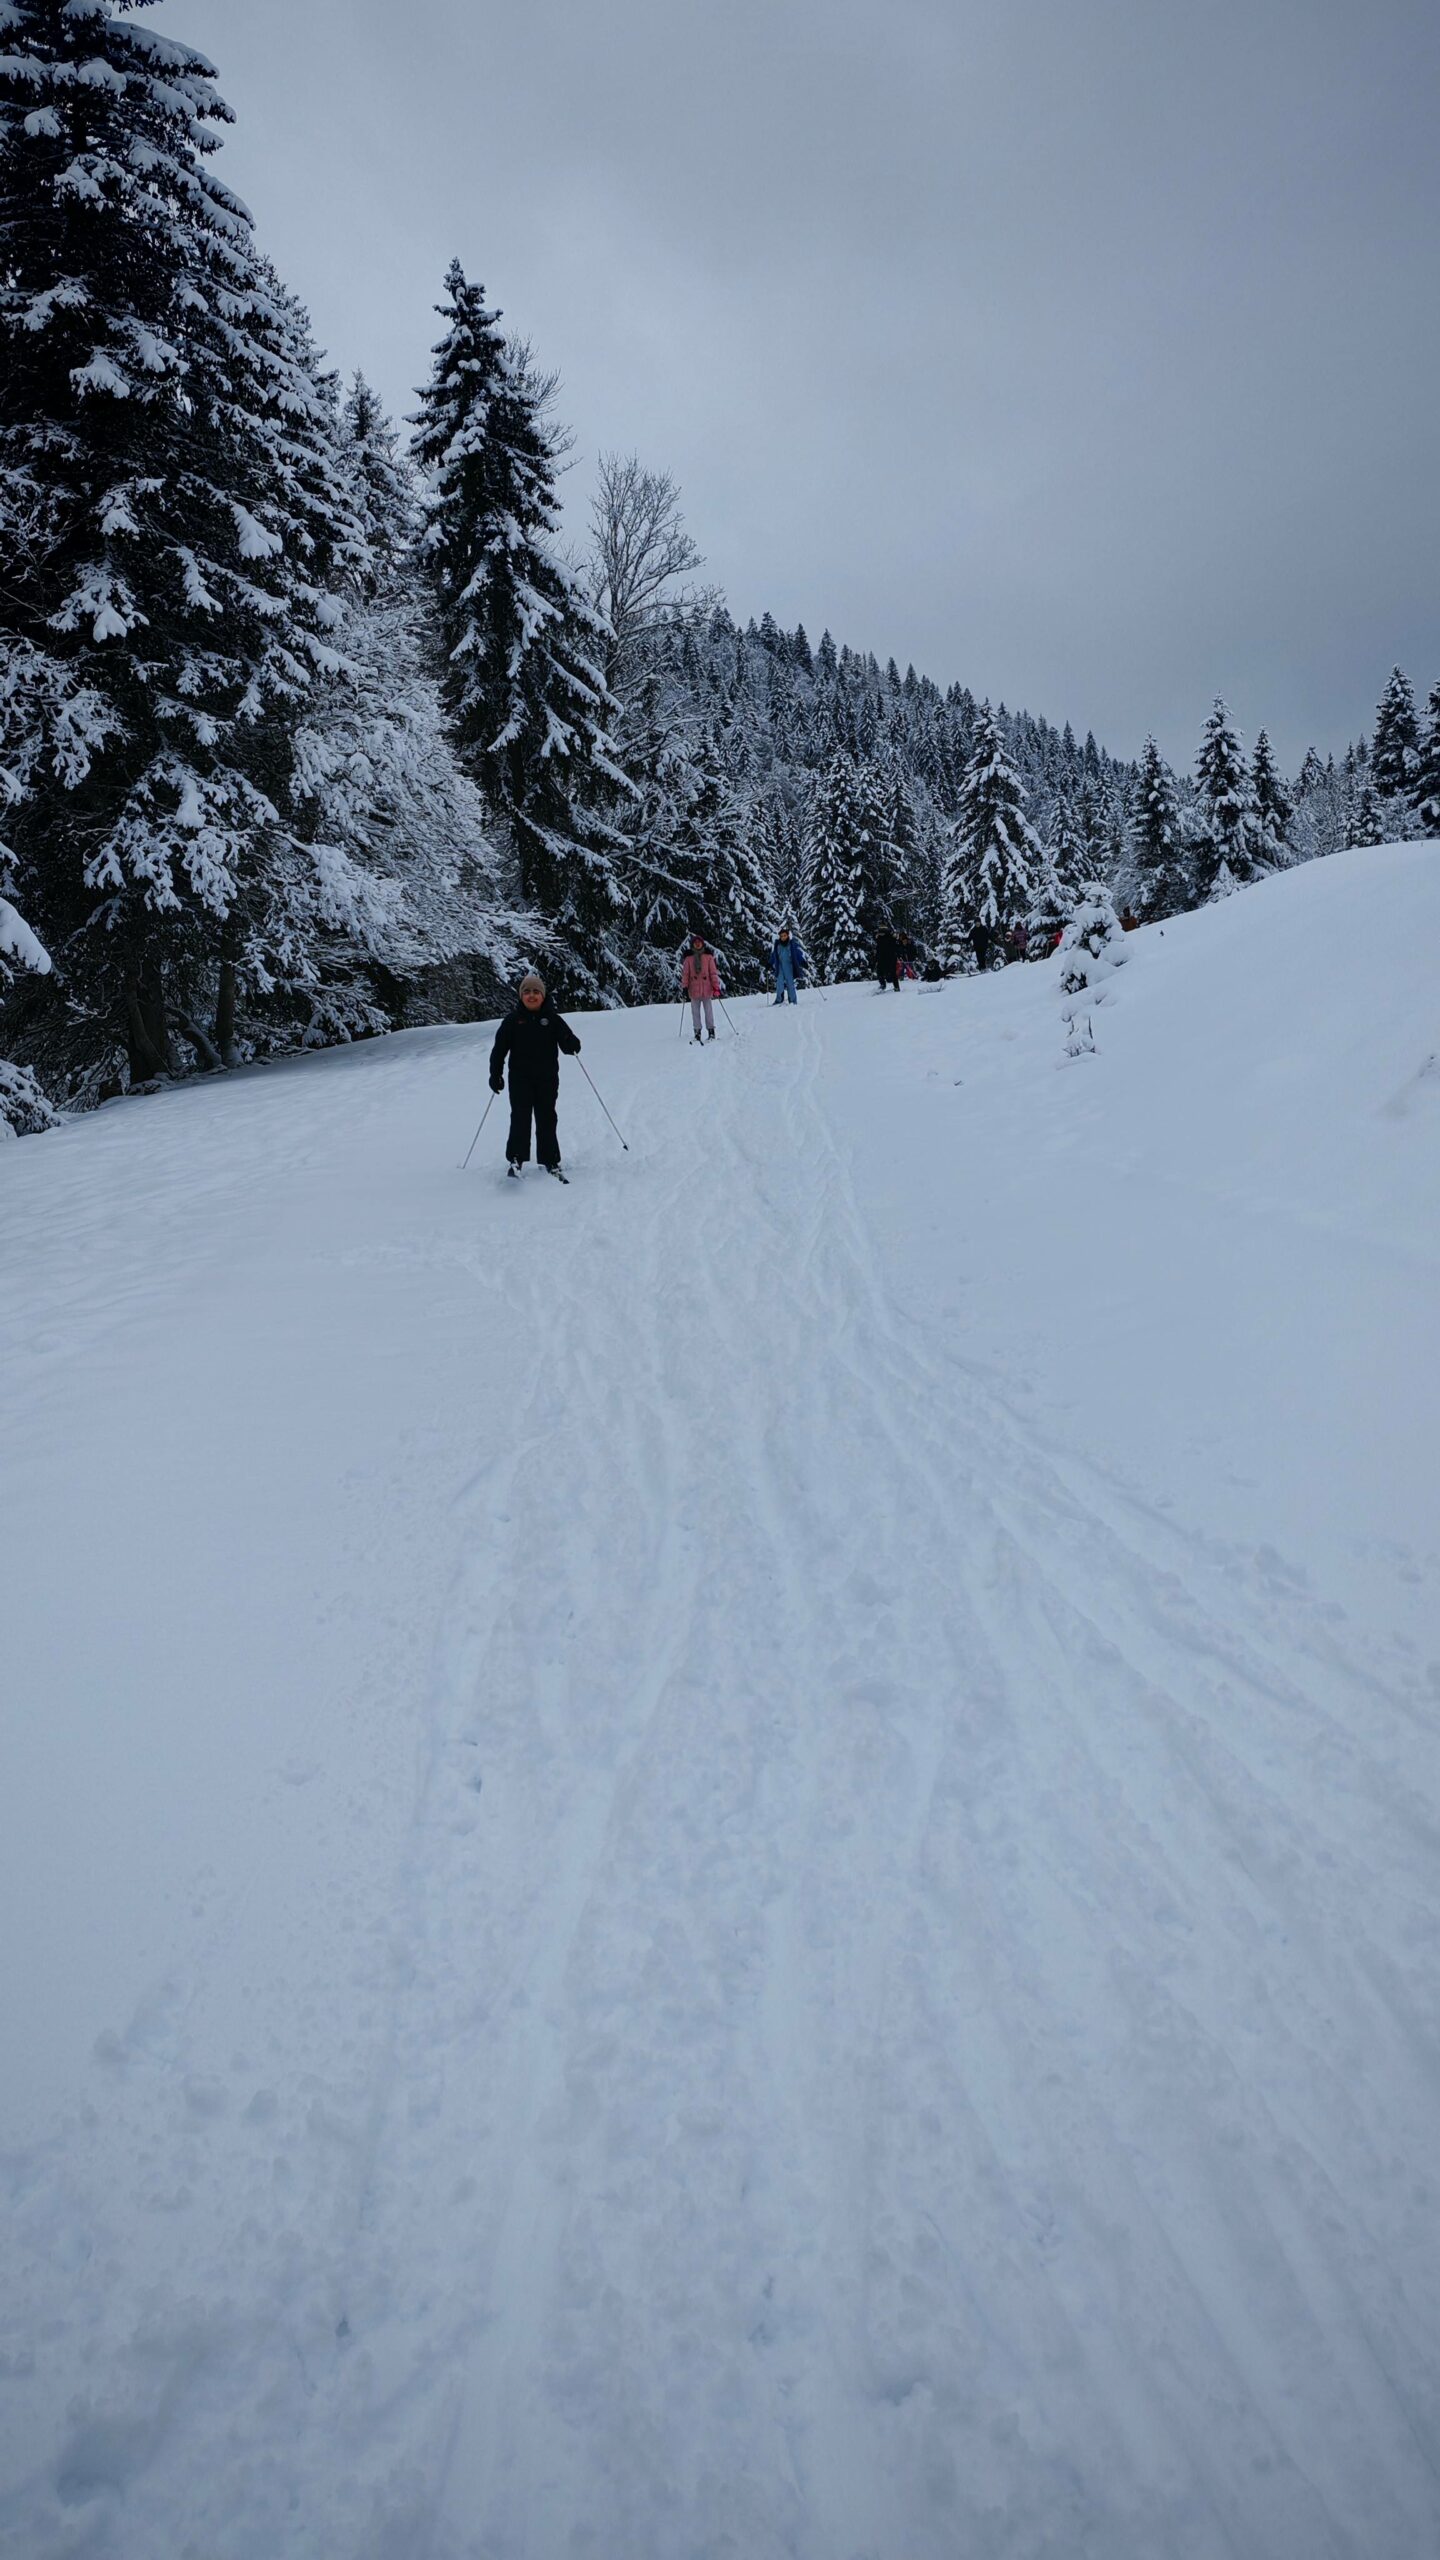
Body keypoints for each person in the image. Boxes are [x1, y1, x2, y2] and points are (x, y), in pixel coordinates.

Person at [489, 971, 581, 1179]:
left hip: (547, 1079)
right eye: (527, 992)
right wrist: (495, 1075)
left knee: (547, 1117)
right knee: (520, 1117)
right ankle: (516, 1158)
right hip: (519, 1079)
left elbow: (570, 1045)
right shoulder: (512, 1021)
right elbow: (499, 1051)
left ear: (543, 995)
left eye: (536, 992)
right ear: (521, 996)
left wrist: (572, 1044)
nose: (531, 995)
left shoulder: (553, 1020)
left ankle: (550, 1159)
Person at [681, 933, 721, 1041]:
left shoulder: (708, 957)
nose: (697, 944)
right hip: (693, 989)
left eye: (699, 942)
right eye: (695, 942)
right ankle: (697, 1032)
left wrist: (716, 987)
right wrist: (684, 988)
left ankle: (711, 1032)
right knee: (695, 1013)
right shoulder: (688, 958)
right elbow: (685, 974)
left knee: (709, 1012)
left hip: (707, 989)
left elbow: (713, 973)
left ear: (702, 944)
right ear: (692, 944)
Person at [770, 926, 807, 1004]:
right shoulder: (778, 945)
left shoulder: (792, 945)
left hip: (789, 966)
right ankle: (779, 999)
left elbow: (797, 954)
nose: (783, 937)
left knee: (790, 983)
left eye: (784, 935)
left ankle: (792, 1000)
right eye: (781, 936)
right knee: (779, 983)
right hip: (780, 966)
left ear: (787, 936)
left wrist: (802, 961)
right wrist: (769, 963)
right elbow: (774, 955)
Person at [875, 925, 900, 992]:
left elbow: (895, 946)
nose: (879, 934)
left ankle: (896, 987)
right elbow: (878, 949)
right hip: (882, 958)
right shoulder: (880, 938)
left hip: (890, 958)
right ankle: (883, 985)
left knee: (892, 973)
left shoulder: (890, 938)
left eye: (880, 933)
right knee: (880, 972)